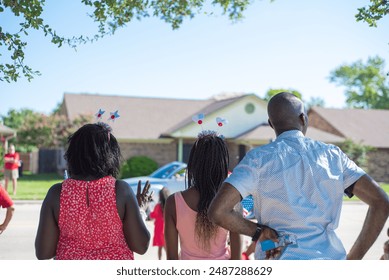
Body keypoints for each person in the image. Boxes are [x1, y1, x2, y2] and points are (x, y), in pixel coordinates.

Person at [209, 92, 389, 260]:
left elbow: (218, 211)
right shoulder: (333, 156)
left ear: (271, 124)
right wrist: (353, 260)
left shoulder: (257, 160)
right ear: (303, 119)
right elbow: (381, 201)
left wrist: (258, 232)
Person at [35, 122, 151, 260]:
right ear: (110, 154)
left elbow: (43, 252)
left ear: (73, 153)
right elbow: (141, 246)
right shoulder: (121, 191)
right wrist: (140, 211)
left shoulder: (56, 193)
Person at [164, 130, 241, 260]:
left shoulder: (173, 202)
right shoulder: (232, 201)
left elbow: (171, 259)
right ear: (222, 165)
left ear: (193, 164)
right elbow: (237, 260)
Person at [149, 187, 170, 260]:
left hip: (159, 228)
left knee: (160, 247)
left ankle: (160, 261)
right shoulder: (169, 205)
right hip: (167, 228)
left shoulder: (158, 206)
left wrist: (150, 212)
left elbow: (152, 216)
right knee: (166, 247)